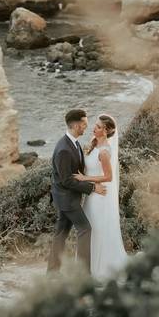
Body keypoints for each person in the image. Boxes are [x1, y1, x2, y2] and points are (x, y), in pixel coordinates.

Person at [47, 109, 106, 273]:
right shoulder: (64, 149)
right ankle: (83, 275)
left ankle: (52, 273)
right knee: (85, 229)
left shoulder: (73, 143)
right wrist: (93, 187)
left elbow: (77, 172)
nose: (86, 127)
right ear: (76, 125)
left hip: (63, 198)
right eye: (84, 124)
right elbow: (67, 180)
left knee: (60, 234)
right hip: (67, 199)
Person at [76, 114, 128, 281]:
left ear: (106, 131)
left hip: (100, 197)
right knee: (90, 228)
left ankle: (102, 267)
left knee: (98, 229)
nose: (94, 128)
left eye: (98, 127)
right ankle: (88, 266)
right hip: (92, 195)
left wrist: (85, 178)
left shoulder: (105, 151)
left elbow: (108, 177)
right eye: (95, 125)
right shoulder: (94, 143)